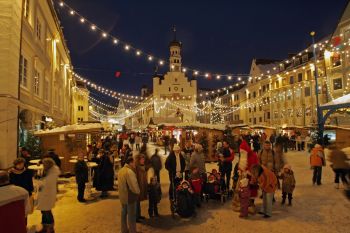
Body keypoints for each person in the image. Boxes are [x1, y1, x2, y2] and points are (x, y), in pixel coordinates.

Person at [36, 158, 60, 233]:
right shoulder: (50, 170)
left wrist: (38, 181)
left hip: (47, 195)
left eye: (44, 164)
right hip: (45, 194)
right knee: (44, 211)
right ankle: (45, 227)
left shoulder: (52, 173)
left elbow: (45, 183)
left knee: (47, 211)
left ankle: (50, 228)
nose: (43, 166)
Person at [118, 157, 140, 233]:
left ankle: (124, 230)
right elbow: (133, 185)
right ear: (130, 163)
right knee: (131, 215)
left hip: (122, 196)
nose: (135, 164)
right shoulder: (129, 172)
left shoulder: (121, 170)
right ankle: (132, 231)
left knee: (123, 213)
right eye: (134, 162)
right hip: (130, 196)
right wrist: (138, 192)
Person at [135, 154, 148, 222]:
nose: (143, 160)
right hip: (138, 187)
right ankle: (136, 217)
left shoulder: (142, 166)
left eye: (144, 159)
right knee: (136, 203)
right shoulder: (136, 168)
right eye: (142, 159)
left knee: (138, 202)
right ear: (138, 160)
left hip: (142, 186)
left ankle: (139, 215)